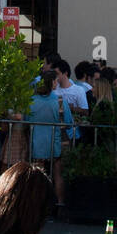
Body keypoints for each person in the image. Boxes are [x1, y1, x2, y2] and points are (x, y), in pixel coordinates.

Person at [27, 71, 73, 206]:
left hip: (37, 143)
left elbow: (26, 120)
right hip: (56, 142)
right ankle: (59, 203)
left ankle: (37, 204)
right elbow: (68, 122)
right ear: (52, 82)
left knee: (38, 175)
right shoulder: (59, 101)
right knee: (58, 174)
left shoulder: (32, 101)